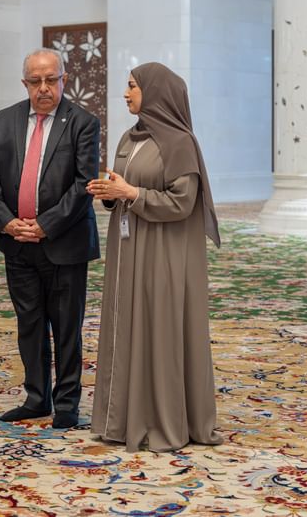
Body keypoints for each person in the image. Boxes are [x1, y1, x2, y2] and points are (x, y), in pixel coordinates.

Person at [86, 62, 222, 452]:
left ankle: (163, 420)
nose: (125, 93)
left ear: (156, 91)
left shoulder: (180, 143)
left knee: (159, 324)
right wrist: (111, 193)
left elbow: (183, 201)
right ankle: (122, 419)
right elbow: (126, 189)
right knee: (126, 322)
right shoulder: (129, 138)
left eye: (132, 86)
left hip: (165, 251)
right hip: (129, 247)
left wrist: (132, 195)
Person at [0, 48, 100, 429]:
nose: (44, 88)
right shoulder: (5, 120)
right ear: (25, 83)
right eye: (36, 81)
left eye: (51, 80)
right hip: (17, 243)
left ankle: (66, 402)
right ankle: (36, 397)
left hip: (64, 243)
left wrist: (45, 224)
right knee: (29, 322)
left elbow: (83, 184)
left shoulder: (82, 122)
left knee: (66, 325)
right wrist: (8, 222)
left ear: (64, 79)